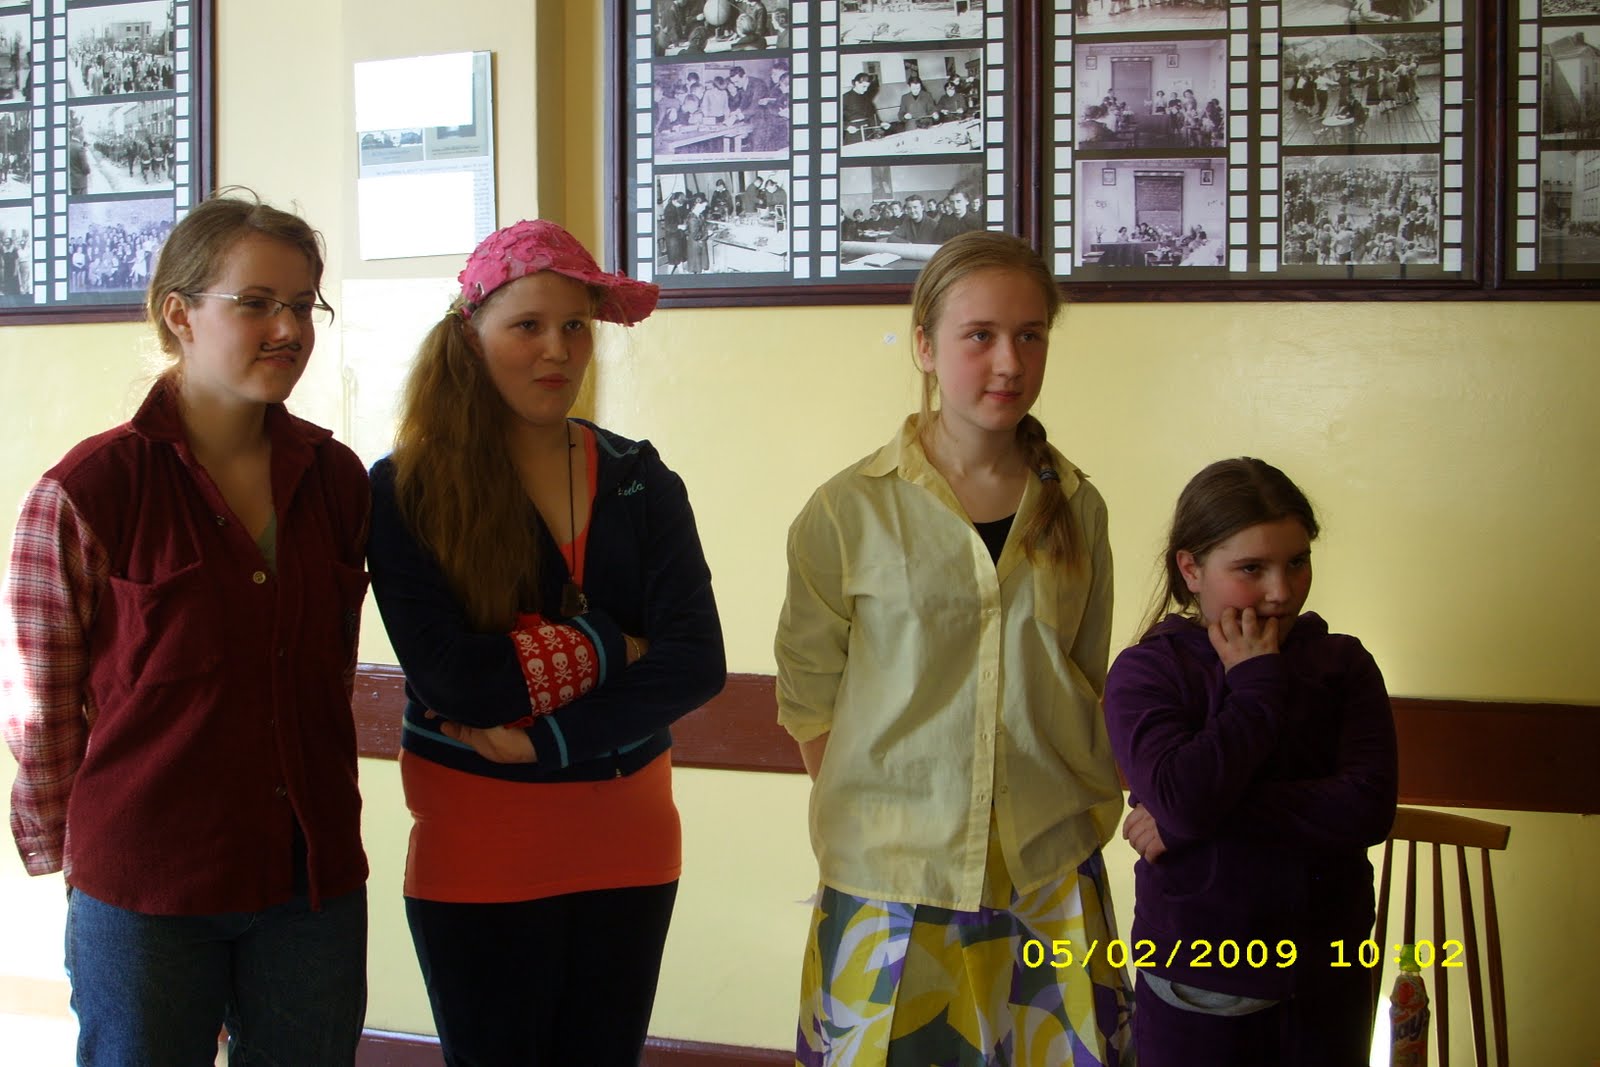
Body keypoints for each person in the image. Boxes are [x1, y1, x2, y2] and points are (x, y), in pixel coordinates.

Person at [1, 191, 369, 1063]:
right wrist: (74, 861)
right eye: (257, 303)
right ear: (180, 314)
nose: (289, 329)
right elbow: (40, 704)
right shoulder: (87, 490)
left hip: (309, 881)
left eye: (303, 304)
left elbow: (329, 671)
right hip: (146, 888)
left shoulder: (337, 479)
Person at [366, 219, 725, 1066]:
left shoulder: (640, 477)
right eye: (527, 325)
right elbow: (457, 680)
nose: (557, 349)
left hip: (631, 851)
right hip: (478, 854)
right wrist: (612, 644)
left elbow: (696, 662)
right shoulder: (406, 488)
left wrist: (543, 740)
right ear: (471, 335)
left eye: (574, 326)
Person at [777, 231, 1133, 1066]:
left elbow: (1085, 677)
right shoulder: (847, 511)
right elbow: (809, 698)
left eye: (1030, 334)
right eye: (981, 335)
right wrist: (897, 811)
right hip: (891, 884)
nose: (1009, 361)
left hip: (1050, 873)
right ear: (925, 347)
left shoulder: (1078, 508)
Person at [1102, 457, 1398, 1066]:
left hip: (1330, 976)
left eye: (1297, 562)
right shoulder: (1149, 671)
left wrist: (1193, 819)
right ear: (1191, 569)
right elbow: (1184, 797)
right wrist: (1257, 682)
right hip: (1199, 984)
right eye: (1251, 569)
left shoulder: (1343, 664)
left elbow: (1367, 808)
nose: (1281, 591)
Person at [843, 72, 889, 144]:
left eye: (867, 87)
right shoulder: (845, 98)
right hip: (854, 134)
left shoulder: (866, 98)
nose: (866, 90)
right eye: (864, 86)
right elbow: (836, 119)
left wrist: (881, 123)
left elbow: (872, 115)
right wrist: (847, 127)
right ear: (857, 83)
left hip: (868, 133)